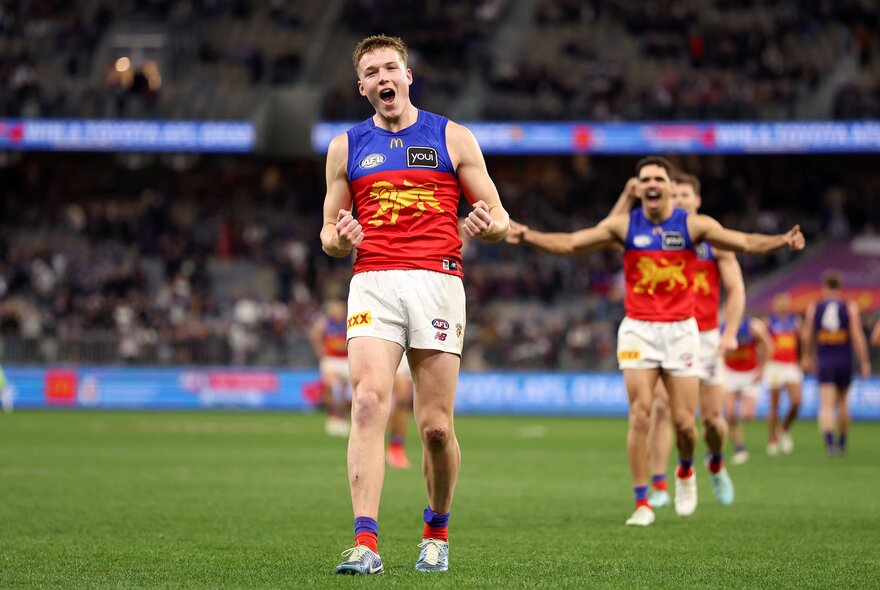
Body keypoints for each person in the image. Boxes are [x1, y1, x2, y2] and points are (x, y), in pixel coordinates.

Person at [506, 156, 804, 527]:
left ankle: (685, 472)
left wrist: (782, 240)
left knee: (684, 424)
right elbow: (571, 243)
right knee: (642, 414)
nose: (652, 183)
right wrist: (529, 235)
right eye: (645, 178)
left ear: (666, 187)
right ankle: (642, 501)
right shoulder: (625, 225)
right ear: (639, 188)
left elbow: (742, 241)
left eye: (658, 178)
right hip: (639, 330)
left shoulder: (694, 226)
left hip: (682, 331)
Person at [321, 35, 509, 575]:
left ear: (408, 76)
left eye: (391, 68)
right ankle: (366, 542)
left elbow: (497, 217)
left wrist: (485, 225)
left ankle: (436, 530)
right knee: (369, 402)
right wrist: (341, 238)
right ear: (362, 87)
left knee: (434, 427)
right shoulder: (346, 147)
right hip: (373, 280)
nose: (383, 77)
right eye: (372, 71)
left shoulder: (452, 137)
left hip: (437, 281)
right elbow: (328, 235)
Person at [624, 173, 743, 509]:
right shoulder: (664, 236)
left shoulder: (711, 239)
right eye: (674, 194)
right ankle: (661, 483)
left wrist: (730, 332)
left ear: (697, 200)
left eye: (685, 194)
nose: (679, 199)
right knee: (661, 409)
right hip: (671, 333)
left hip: (707, 337)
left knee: (710, 421)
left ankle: (716, 463)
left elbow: (735, 290)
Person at [802, 272, 871, 456]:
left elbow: (808, 334)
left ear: (824, 286)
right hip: (844, 358)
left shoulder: (814, 307)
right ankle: (842, 442)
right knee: (843, 402)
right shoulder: (849, 306)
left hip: (825, 358)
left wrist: (807, 356)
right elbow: (857, 335)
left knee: (826, 404)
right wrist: (864, 361)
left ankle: (829, 443)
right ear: (839, 286)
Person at [721, 317, 774, 465]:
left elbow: (769, 346)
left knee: (747, 415)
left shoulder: (754, 327)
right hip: (730, 372)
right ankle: (740, 448)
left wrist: (762, 369)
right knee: (730, 414)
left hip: (750, 373)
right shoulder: (722, 327)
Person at [762, 292, 804, 455]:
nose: (783, 304)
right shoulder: (768, 322)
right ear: (774, 304)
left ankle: (784, 428)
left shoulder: (795, 322)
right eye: (780, 301)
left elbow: (802, 341)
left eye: (786, 301)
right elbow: (762, 344)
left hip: (791, 365)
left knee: (797, 401)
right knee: (775, 404)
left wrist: (804, 358)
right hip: (774, 365)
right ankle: (772, 438)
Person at [309, 298, 352, 437]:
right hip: (331, 359)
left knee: (347, 390)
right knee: (330, 386)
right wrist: (320, 350)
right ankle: (332, 415)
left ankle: (343, 417)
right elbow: (314, 333)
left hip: (346, 359)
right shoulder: (325, 322)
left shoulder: (349, 320)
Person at [386, 356, 413, 469]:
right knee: (401, 398)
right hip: (395, 346)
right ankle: (392, 448)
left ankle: (396, 446)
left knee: (404, 402)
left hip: (414, 347)